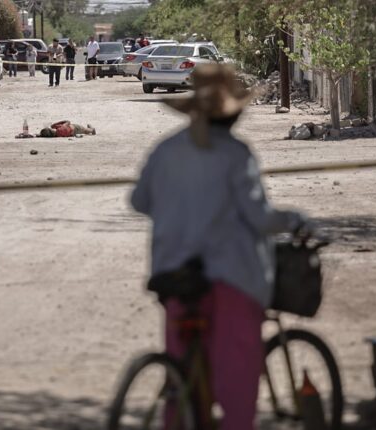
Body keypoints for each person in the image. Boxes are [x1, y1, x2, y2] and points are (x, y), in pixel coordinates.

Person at [130, 65, 309, 430]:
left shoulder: (165, 150)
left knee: (182, 376)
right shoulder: (236, 154)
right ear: (235, 112)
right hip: (232, 279)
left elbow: (139, 201)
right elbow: (260, 218)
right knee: (236, 382)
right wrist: (293, 220)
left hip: (174, 275)